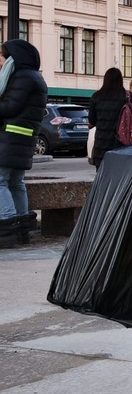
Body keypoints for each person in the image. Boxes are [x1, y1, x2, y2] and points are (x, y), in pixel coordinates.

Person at [0, 39, 48, 248]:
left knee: (1, 181)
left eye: (1, 56)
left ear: (12, 57)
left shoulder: (22, 77)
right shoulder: (33, 77)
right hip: (20, 139)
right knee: (15, 182)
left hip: (11, 138)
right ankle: (22, 230)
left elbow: (10, 107)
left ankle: (7, 227)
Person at [87, 68, 126, 167]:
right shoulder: (126, 96)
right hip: (121, 142)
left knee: (101, 175)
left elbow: (92, 120)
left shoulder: (96, 96)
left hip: (101, 143)